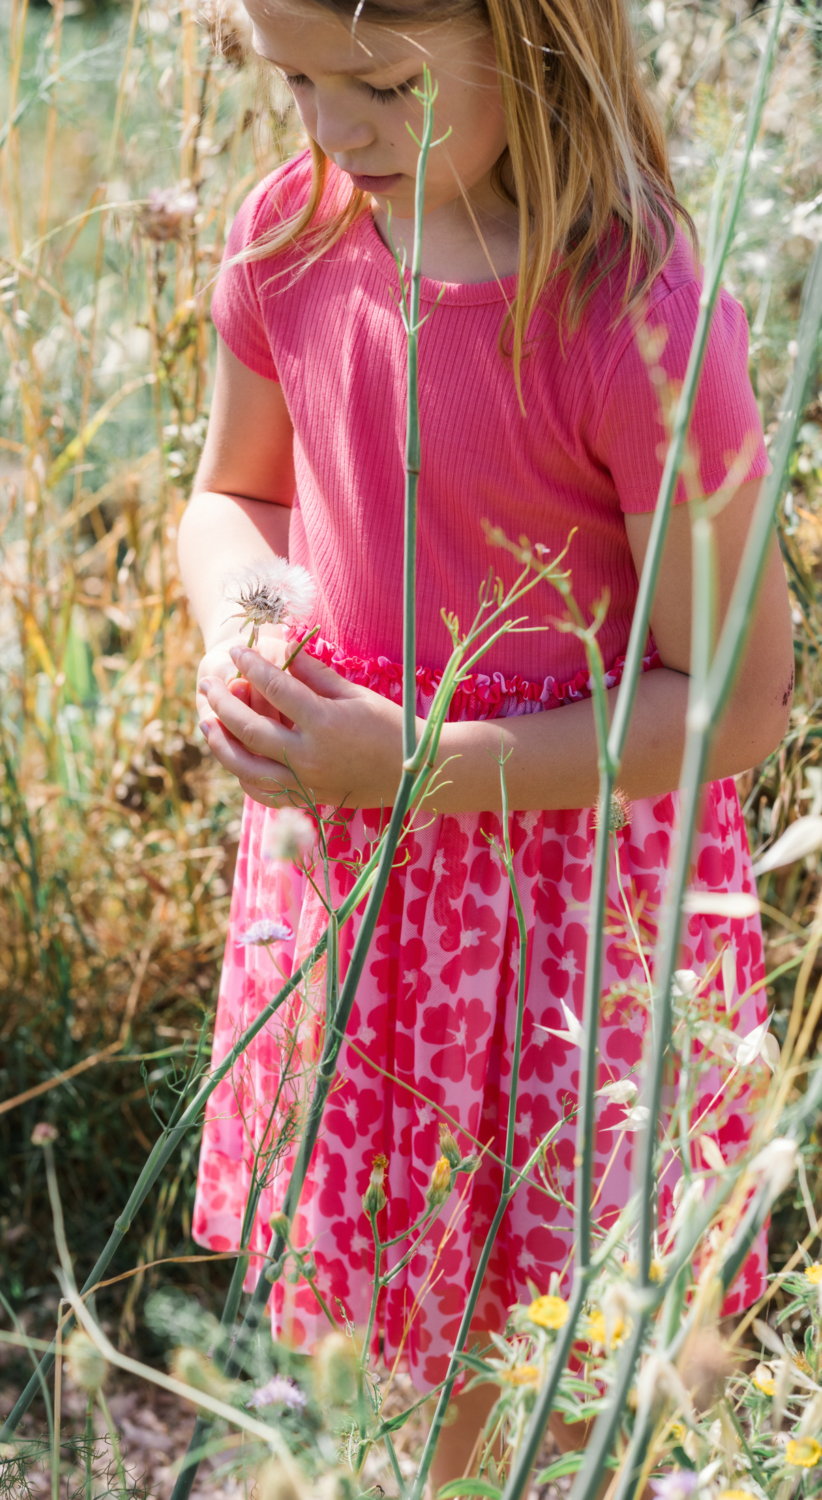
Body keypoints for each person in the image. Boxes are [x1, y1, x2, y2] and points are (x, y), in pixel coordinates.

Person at [177, 0, 794, 1484]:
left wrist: (420, 769)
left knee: (574, 1368)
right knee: (402, 1338)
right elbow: (237, 501)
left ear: (538, 36)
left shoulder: (633, 317)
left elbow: (736, 696)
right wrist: (252, 627)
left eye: (381, 83)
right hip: (362, 890)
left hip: (573, 920)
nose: (332, 130)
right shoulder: (288, 239)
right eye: (297, 80)